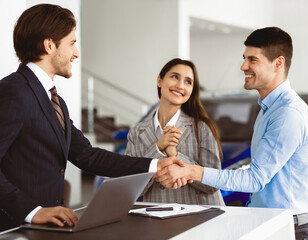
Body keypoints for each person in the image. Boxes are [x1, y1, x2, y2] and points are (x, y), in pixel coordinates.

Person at [0, 4, 182, 231]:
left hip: (47, 229)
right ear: (49, 45)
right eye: (72, 44)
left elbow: (88, 156)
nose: (76, 53)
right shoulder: (12, 91)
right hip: (14, 229)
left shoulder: (55, 101)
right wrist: (32, 211)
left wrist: (156, 165)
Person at [155, 27, 308, 240]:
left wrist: (191, 172)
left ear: (278, 63)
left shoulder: (287, 114)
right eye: (244, 59)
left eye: (252, 60)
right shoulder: (268, 108)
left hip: (288, 231)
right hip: (268, 223)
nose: (243, 66)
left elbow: (255, 179)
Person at [126, 58, 224, 205]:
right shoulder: (136, 133)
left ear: (192, 90)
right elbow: (132, 189)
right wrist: (158, 148)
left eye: (188, 82)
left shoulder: (202, 128)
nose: (180, 86)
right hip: (158, 217)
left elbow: (214, 184)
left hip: (200, 217)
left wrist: (175, 154)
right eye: (174, 77)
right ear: (159, 80)